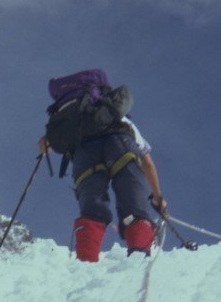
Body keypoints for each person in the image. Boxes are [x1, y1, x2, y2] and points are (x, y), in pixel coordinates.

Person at [39, 99, 168, 262]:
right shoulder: (120, 118)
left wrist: (47, 143)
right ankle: (139, 258)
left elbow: (50, 142)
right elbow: (148, 163)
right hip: (121, 145)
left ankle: (86, 263)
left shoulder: (77, 121)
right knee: (134, 210)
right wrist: (158, 197)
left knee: (92, 210)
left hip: (85, 153)